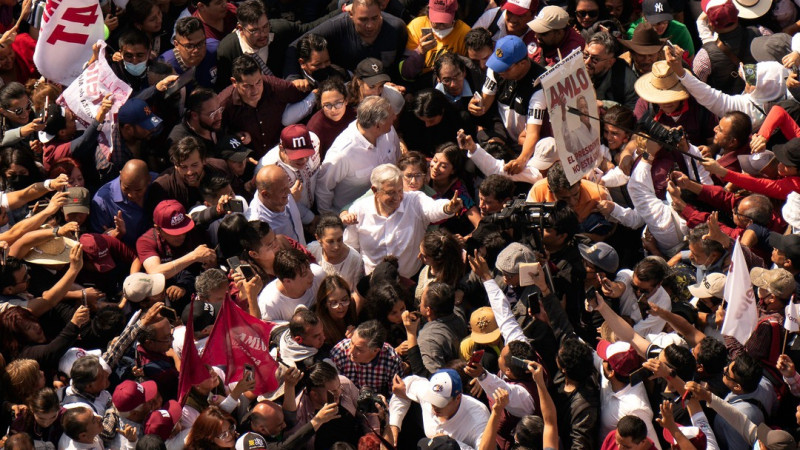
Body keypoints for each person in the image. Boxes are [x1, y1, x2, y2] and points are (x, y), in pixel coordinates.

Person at [342, 164, 461, 278]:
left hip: (409, 281)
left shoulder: (415, 201)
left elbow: (433, 209)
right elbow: (351, 247)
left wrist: (448, 207)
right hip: (373, 282)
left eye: (400, 190)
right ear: (375, 191)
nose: (397, 197)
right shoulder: (359, 210)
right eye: (390, 192)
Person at [469, 35, 548, 175]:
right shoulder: (495, 69)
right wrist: (475, 106)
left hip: (524, 146)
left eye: (505, 68)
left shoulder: (539, 86)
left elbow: (532, 132)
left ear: (522, 63)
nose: (500, 72)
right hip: (503, 133)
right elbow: (484, 105)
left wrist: (522, 160)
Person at [283, 0, 408, 79]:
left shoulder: (396, 28)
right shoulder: (337, 26)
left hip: (383, 87)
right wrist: (294, 78)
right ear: (351, 15)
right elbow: (294, 46)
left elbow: (400, 63)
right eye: (363, 20)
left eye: (375, 18)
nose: (370, 25)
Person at [316, 96, 399, 214]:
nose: (395, 117)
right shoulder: (342, 154)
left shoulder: (389, 131)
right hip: (352, 218)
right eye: (391, 116)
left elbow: (398, 160)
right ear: (378, 125)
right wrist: (332, 222)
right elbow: (323, 189)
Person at [218, 55, 306, 158]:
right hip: (249, 161)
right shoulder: (223, 104)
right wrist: (235, 137)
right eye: (247, 86)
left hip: (282, 154)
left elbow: (306, 96)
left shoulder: (276, 87)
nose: (255, 90)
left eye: (258, 82)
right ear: (234, 82)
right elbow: (217, 137)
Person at [388, 368, 491, 449]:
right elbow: (401, 388)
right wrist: (394, 424)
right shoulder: (425, 392)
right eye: (432, 400)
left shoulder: (478, 417)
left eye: (440, 403)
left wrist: (448, 444)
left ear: (458, 397)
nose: (434, 408)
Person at [148, 136, 230, 211]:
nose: (189, 172)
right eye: (183, 167)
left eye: (194, 165)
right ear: (175, 165)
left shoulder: (220, 168)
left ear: (204, 160)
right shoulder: (163, 187)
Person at [258, 124, 321, 213]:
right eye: (297, 156)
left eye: (306, 153)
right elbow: (269, 208)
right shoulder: (267, 169)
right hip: (292, 215)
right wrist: (291, 200)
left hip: (318, 204)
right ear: (281, 148)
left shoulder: (314, 141)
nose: (303, 160)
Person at [400, 0, 470, 81]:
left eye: (445, 20)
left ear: (454, 16)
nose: (440, 24)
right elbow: (406, 73)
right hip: (420, 81)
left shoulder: (464, 32)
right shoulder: (416, 26)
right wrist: (420, 52)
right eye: (436, 20)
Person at [329, 319, 402, 396]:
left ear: (375, 350)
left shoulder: (391, 360)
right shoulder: (339, 353)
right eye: (351, 343)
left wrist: (385, 403)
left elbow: (397, 396)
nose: (350, 352)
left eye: (359, 349)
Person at [247, 165, 312, 246]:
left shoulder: (281, 195)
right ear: (266, 195)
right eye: (283, 190)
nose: (289, 192)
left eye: (288, 186)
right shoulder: (258, 224)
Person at [257, 247, 325, 323]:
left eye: (309, 268)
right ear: (287, 281)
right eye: (304, 274)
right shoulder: (269, 305)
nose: (312, 275)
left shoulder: (319, 275)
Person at [216, 0, 274, 90]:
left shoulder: (279, 31)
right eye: (254, 30)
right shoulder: (227, 50)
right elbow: (225, 88)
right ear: (240, 28)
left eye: (265, 26)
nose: (263, 34)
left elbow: (303, 31)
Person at [583, 32, 639, 110]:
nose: (587, 62)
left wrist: (606, 105)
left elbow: (633, 113)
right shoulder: (575, 66)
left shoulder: (627, 82)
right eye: (585, 55)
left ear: (610, 62)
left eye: (595, 59)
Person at [160, 17, 219, 89]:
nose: (196, 50)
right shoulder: (164, 65)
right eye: (189, 46)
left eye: (200, 43)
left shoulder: (215, 49)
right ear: (176, 45)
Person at [307, 215, 364, 289]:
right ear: (318, 238)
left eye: (339, 240)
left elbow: (357, 293)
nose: (336, 246)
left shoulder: (355, 260)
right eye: (330, 241)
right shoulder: (311, 250)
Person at [306, 78, 357, 157]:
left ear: (346, 100)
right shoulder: (315, 127)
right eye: (327, 105)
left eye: (338, 103)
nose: (334, 110)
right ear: (321, 105)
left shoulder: (355, 116)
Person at [312, 275, 358, 348]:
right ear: (324, 304)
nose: (340, 307)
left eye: (344, 300)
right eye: (334, 303)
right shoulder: (318, 325)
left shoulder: (352, 305)